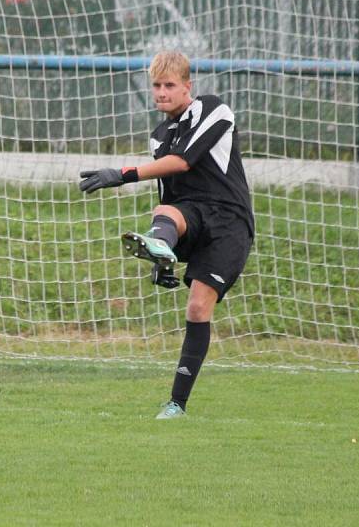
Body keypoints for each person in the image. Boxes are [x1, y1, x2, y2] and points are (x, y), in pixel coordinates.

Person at [79, 50, 254, 419]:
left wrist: (122, 174)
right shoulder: (160, 136)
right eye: (156, 85)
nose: (162, 92)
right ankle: (160, 248)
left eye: (170, 85)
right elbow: (167, 196)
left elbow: (184, 161)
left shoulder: (213, 109)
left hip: (229, 222)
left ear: (187, 87)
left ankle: (178, 402)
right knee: (165, 211)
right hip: (189, 215)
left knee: (197, 307)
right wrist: (164, 254)